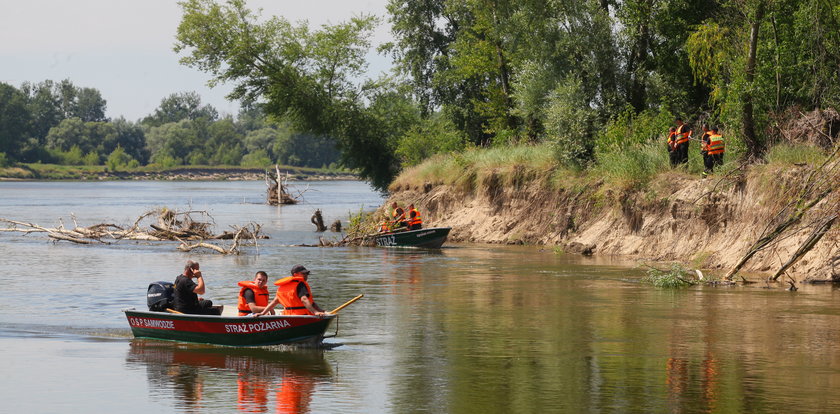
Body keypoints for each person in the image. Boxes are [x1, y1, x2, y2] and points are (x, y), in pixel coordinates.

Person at [259, 265, 327, 317]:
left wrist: (263, 313)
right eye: (303, 273)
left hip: (286, 316)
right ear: (295, 274)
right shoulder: (300, 284)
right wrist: (315, 312)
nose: (306, 276)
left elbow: (274, 301)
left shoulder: (283, 286)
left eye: (306, 274)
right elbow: (304, 299)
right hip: (302, 315)